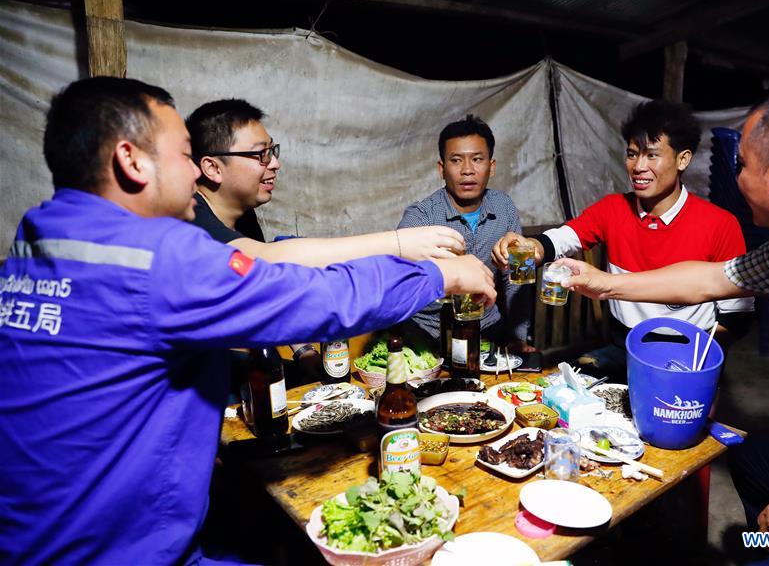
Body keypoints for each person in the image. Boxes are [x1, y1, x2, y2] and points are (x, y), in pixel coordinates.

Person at [0, 77, 496, 564]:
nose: (195, 173)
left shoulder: (38, 240)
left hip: (50, 530)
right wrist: (437, 275)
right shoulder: (151, 258)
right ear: (132, 161)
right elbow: (317, 298)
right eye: (184, 155)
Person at [557, 83, 769, 563]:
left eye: (741, 165)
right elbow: (708, 279)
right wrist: (604, 284)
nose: (732, 177)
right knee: (751, 452)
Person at [493, 99, 753, 380]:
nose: (638, 166)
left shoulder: (720, 225)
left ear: (683, 159)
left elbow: (737, 318)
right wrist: (532, 247)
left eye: (652, 155)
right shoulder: (614, 208)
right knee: (560, 386)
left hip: (687, 355)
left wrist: (698, 366)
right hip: (624, 348)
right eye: (632, 154)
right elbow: (565, 237)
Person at [186, 98, 466, 266]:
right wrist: (397, 243)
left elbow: (265, 294)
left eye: (272, 151)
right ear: (212, 168)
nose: (274, 163)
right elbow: (265, 261)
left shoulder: (243, 217)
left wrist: (302, 352)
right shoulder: (190, 218)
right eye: (261, 154)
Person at [398, 114, 534, 353]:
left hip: (488, 331)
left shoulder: (504, 207)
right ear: (442, 168)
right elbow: (400, 284)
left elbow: (516, 279)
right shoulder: (421, 218)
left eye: (477, 159)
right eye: (456, 160)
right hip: (430, 337)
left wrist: (518, 337)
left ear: (491, 167)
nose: (467, 170)